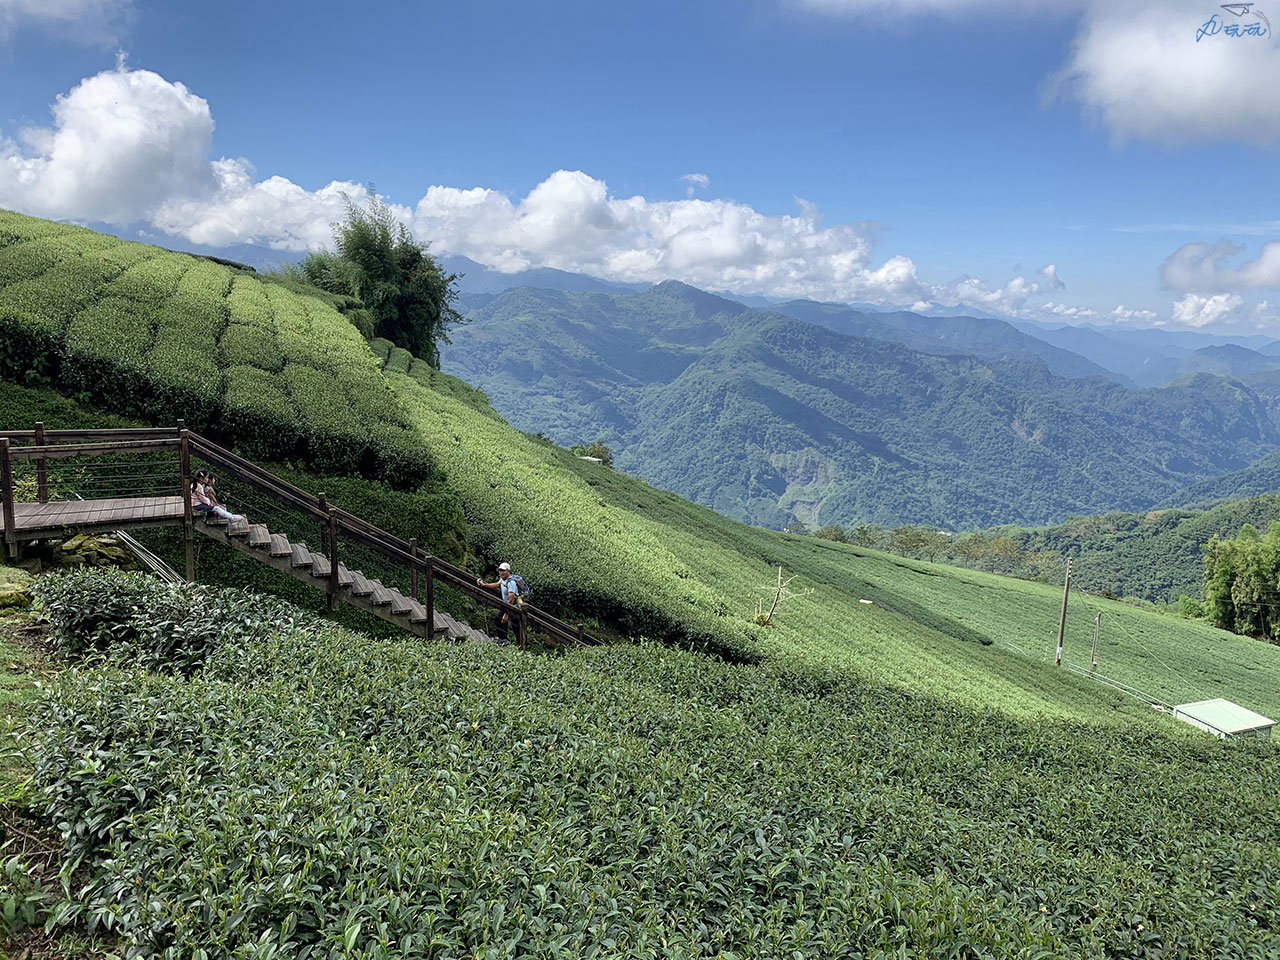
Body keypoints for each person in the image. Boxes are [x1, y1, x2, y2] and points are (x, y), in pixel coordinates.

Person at [476, 562, 525, 644]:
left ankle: (521, 646)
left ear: (508, 571)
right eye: (500, 570)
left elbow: (511, 599)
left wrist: (506, 614)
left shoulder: (511, 583)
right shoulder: (503, 579)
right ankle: (503, 639)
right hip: (508, 606)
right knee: (499, 619)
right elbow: (497, 584)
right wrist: (485, 585)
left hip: (514, 607)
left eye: (503, 570)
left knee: (515, 627)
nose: (501, 572)